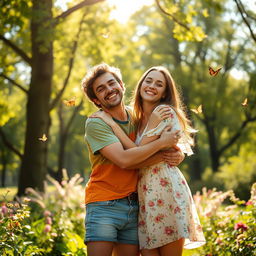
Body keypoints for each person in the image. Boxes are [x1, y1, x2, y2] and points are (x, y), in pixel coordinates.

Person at [94, 66, 206, 256]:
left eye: (159, 84)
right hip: (145, 196)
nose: (152, 86)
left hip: (166, 191)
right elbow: (134, 153)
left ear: (164, 93)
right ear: (140, 86)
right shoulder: (136, 118)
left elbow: (139, 151)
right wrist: (115, 123)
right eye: (148, 81)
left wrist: (113, 125)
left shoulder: (165, 113)